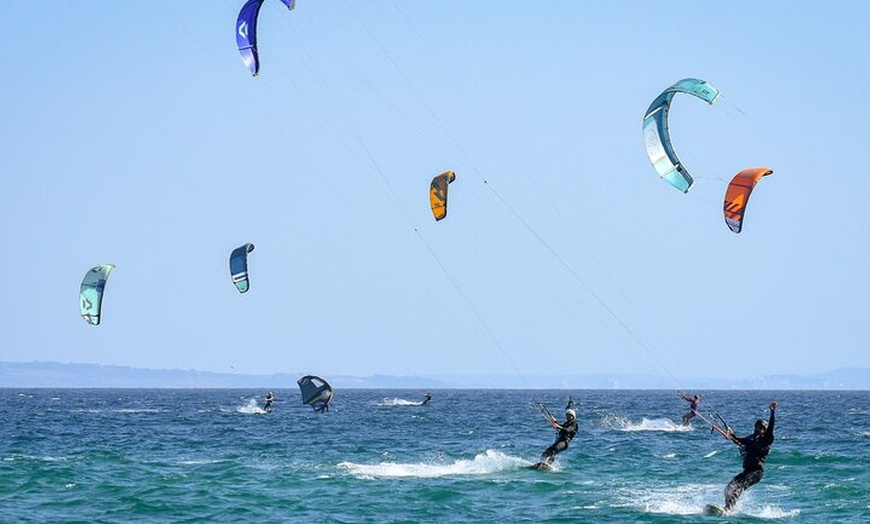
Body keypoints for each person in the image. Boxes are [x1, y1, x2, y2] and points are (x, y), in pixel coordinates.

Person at [722, 401, 778, 513]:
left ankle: (728, 510)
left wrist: (772, 412)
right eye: (757, 427)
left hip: (757, 472)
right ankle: (728, 508)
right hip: (747, 471)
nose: (758, 430)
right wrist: (732, 434)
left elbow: (771, 426)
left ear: (765, 430)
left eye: (761, 428)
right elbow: (738, 441)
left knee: (739, 487)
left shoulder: (767, 439)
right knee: (728, 489)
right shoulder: (750, 438)